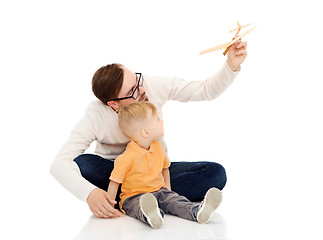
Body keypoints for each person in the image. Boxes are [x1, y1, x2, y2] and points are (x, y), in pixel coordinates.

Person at [50, 39, 248, 218]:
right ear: (113, 104)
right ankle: (155, 199)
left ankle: (139, 200)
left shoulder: (150, 85)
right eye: (132, 91)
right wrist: (89, 194)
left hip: (154, 172)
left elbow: (204, 90)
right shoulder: (95, 115)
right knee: (83, 164)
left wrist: (231, 65)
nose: (142, 90)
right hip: (115, 173)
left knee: (215, 173)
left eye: (137, 81)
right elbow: (59, 163)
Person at [107, 101, 223, 228]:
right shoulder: (126, 158)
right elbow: (114, 182)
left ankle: (197, 211)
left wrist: (168, 190)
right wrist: (110, 207)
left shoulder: (158, 147)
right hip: (133, 197)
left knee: (176, 201)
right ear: (145, 132)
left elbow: (165, 169)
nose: (162, 121)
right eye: (157, 120)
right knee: (138, 206)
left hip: (160, 191)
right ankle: (152, 215)